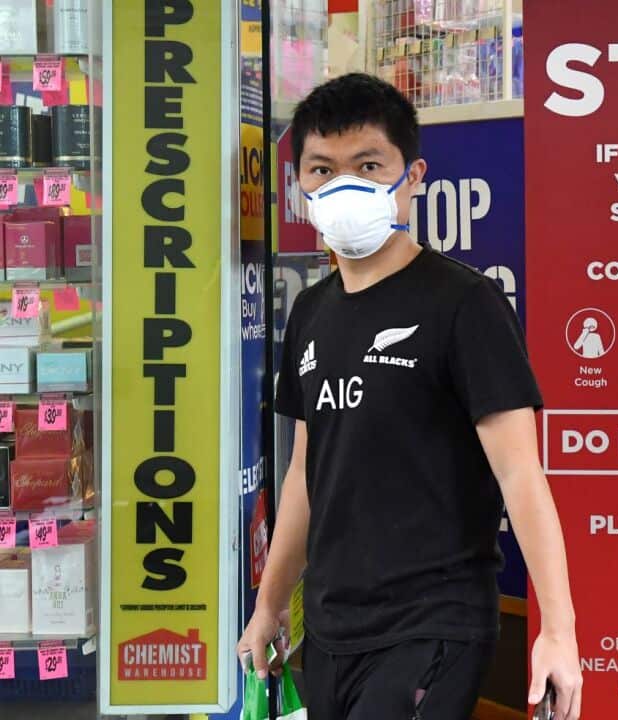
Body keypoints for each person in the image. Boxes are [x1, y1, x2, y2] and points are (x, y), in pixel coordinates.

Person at [236, 73, 582, 720]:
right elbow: (305, 478)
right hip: (334, 628)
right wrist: (271, 604)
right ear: (301, 184)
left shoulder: (464, 304)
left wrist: (558, 630)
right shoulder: (311, 313)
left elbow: (521, 474)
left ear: (412, 175)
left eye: (368, 165)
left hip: (433, 623)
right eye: (322, 169)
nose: (343, 185)